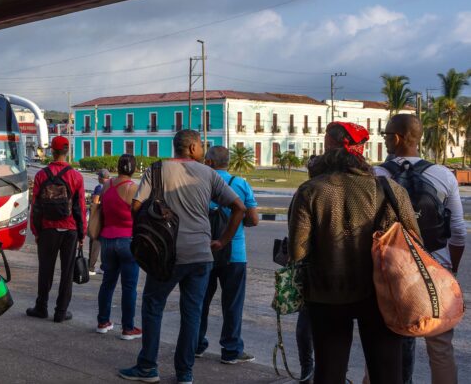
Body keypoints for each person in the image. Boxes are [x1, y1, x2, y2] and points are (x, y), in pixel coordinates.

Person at [288, 122, 420, 384]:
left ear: (329, 150)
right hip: (382, 293)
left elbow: (297, 251)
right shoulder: (391, 189)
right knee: (386, 373)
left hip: (327, 294)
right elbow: (415, 241)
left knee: (329, 371)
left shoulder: (311, 190)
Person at [119, 130, 245, 384]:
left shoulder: (156, 170)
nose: (203, 150)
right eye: (200, 145)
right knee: (193, 312)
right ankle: (185, 373)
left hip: (166, 255)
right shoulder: (209, 174)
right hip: (201, 255)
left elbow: (135, 206)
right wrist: (222, 241)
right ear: (191, 148)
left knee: (154, 305)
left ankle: (148, 367)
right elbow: (239, 208)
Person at [374, 114, 465, 384]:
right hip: (436, 268)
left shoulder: (375, 175)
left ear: (398, 138)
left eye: (387, 134)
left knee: (385, 345)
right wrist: (449, 271)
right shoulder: (443, 175)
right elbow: (458, 232)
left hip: (391, 272)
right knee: (440, 348)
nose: (386, 139)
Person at [197, 146, 259, 364]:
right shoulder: (240, 184)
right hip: (234, 253)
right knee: (232, 303)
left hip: (203, 250)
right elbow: (253, 219)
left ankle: (196, 344)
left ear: (210, 163)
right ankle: (231, 350)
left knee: (200, 300)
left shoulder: (201, 183)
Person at [27, 136, 87, 323]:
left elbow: (35, 206)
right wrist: (81, 233)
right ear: (67, 152)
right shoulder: (76, 176)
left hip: (47, 229)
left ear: (51, 151)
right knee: (67, 272)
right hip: (69, 230)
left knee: (46, 270)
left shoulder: (40, 175)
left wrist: (36, 231)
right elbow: (80, 207)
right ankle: (61, 311)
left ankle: (41, 307)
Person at [94, 155, 141, 340]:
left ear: (118, 167)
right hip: (127, 240)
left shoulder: (107, 186)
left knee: (108, 283)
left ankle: (103, 322)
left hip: (107, 240)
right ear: (134, 169)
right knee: (129, 287)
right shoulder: (133, 188)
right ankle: (128, 328)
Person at [89, 168, 110, 275]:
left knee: (95, 242)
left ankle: (90, 267)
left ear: (101, 178)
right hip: (108, 218)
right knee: (104, 243)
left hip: (98, 218)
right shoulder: (111, 186)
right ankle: (103, 266)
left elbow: (95, 202)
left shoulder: (99, 187)